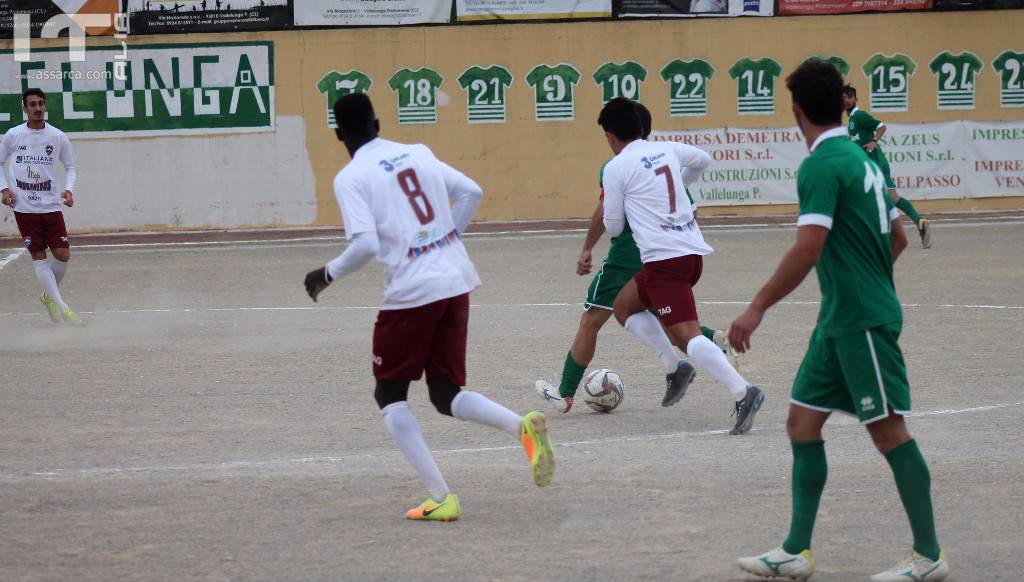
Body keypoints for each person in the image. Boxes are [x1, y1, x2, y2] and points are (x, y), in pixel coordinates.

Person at [731, 60, 948, 581]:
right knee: (802, 423)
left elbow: (809, 248)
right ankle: (795, 551)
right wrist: (868, 279)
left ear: (797, 111)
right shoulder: (863, 159)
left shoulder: (821, 165)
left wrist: (756, 306)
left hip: (860, 321)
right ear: (842, 105)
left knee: (889, 431)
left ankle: (929, 557)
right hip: (840, 320)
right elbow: (896, 238)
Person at [303, 92, 555, 523]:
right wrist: (447, 240)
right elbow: (471, 191)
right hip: (456, 280)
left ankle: (441, 496)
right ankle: (521, 428)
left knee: (389, 393)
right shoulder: (416, 152)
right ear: (378, 122)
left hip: (412, 294)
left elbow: (364, 244)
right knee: (444, 392)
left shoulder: (351, 176)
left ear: (338, 133)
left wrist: (325, 274)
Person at [535, 102, 738, 414]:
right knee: (657, 314)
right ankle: (713, 340)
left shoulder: (616, 168)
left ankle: (565, 393)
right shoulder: (665, 163)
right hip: (679, 249)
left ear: (611, 136)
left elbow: (608, 216)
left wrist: (587, 247)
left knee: (592, 319)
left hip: (635, 251)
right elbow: (691, 199)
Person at [598, 97, 763, 436]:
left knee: (686, 334)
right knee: (625, 306)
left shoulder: (616, 167)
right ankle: (674, 367)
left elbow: (613, 227)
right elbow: (702, 159)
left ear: (611, 135)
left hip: (665, 260)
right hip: (688, 254)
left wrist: (631, 204)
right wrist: (675, 188)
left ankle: (743, 391)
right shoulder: (665, 149)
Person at [1, 89, 82, 326]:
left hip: (50, 205)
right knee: (38, 254)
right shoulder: (13, 135)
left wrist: (69, 189)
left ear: (45, 106)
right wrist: (4, 189)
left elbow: (71, 166)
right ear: (25, 109)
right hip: (24, 207)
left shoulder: (57, 136)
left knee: (62, 255)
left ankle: (49, 296)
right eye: (32, 105)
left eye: (41, 104)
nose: (37, 108)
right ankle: (64, 308)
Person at [843, 85, 931, 248]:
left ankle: (870, 238)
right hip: (869, 166)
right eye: (843, 98)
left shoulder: (859, 116)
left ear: (855, 99)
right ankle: (920, 222)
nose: (846, 100)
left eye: (849, 97)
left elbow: (881, 126)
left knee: (868, 199)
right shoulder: (851, 121)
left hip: (875, 164)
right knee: (891, 199)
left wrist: (874, 141)